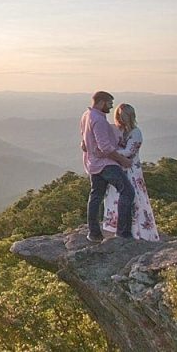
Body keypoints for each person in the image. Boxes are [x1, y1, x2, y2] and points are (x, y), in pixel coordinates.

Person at [80, 91, 133, 242]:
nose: (111, 107)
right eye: (109, 103)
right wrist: (122, 160)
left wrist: (90, 149)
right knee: (127, 192)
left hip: (92, 163)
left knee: (96, 196)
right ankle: (123, 233)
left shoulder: (85, 116)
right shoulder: (99, 120)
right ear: (102, 102)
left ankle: (94, 233)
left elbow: (83, 143)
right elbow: (106, 148)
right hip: (106, 164)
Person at [102, 103, 161, 241]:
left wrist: (107, 153)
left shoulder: (136, 132)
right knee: (116, 198)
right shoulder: (116, 130)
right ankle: (119, 228)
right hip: (118, 168)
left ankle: (140, 232)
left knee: (135, 199)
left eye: (123, 116)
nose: (121, 119)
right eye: (119, 116)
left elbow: (129, 151)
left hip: (132, 170)